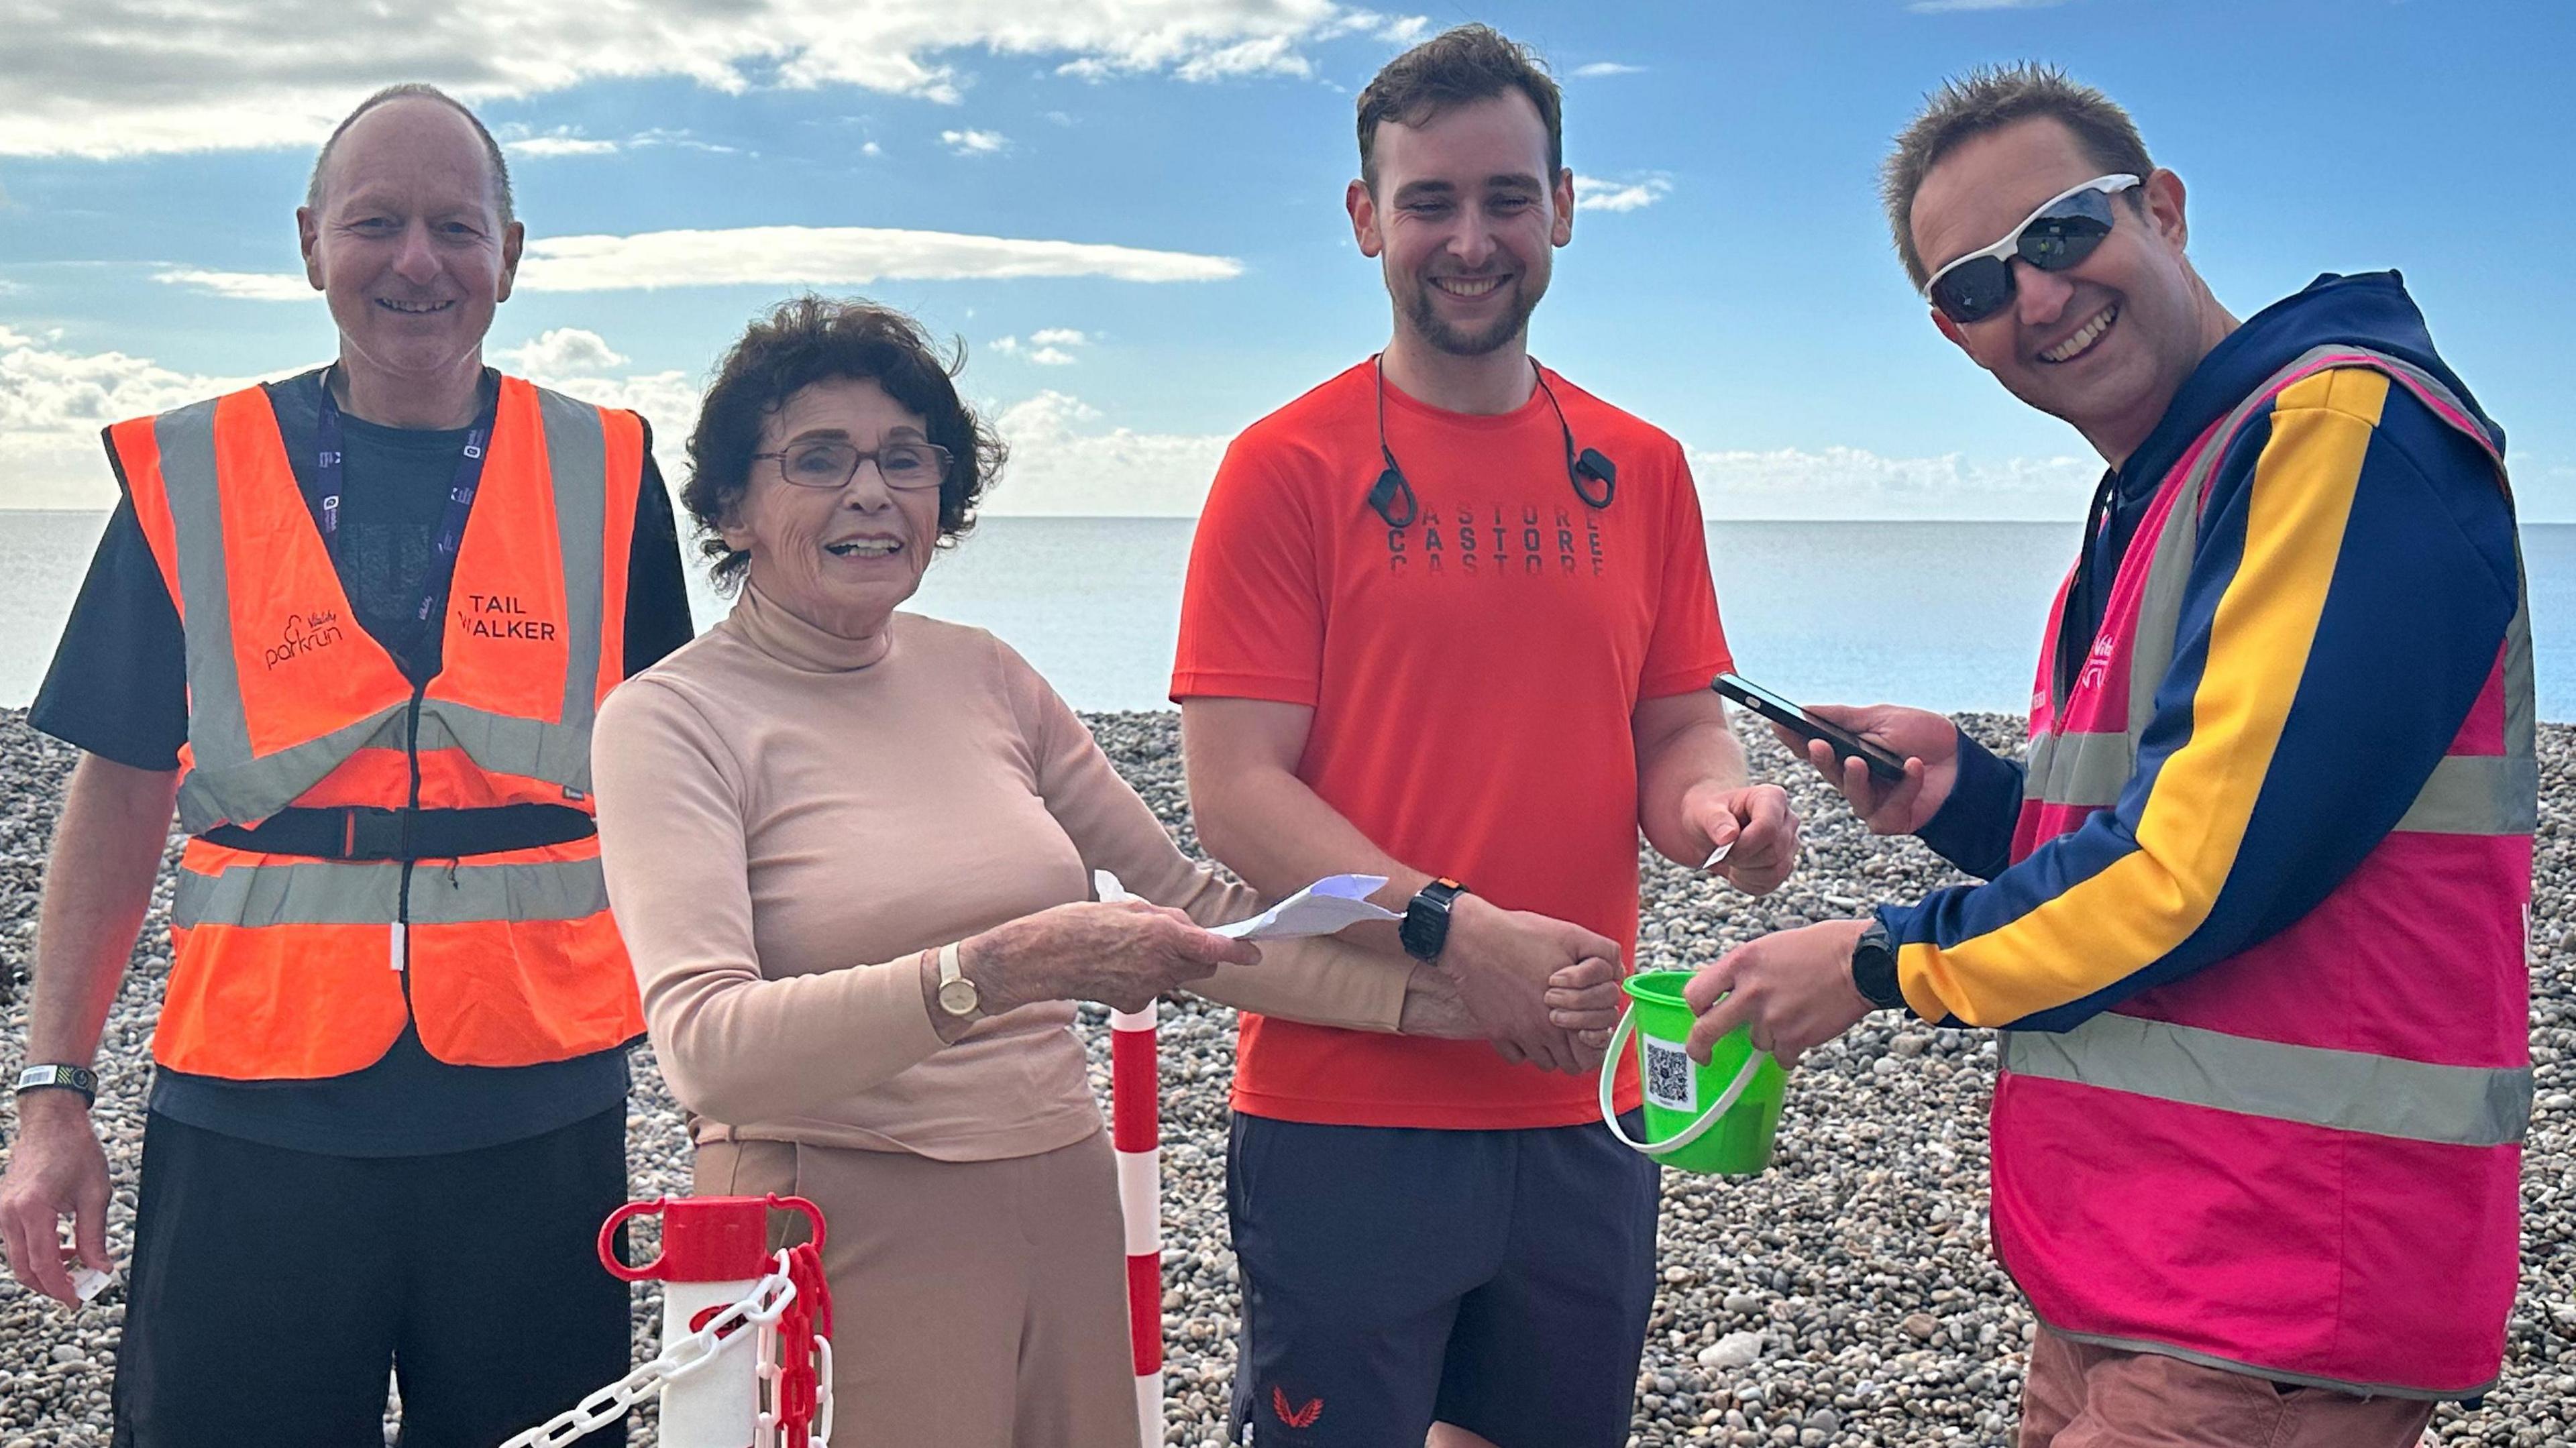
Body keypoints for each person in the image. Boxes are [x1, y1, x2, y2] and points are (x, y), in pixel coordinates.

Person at [586, 294, 1625, 1448]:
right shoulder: (669, 719)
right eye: (817, 460)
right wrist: (1001, 967)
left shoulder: (986, 674)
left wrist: (1466, 998)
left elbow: (1201, 914)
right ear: (730, 506)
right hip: (832, 1214)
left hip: (1059, 1194)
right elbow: (708, 1050)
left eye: (905, 458)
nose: (871, 492)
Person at [1684, 64, 2530, 1448]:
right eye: (1973, 287)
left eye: (2064, 233)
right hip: (2135, 1279)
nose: (2036, 298)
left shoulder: (2334, 434)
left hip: (2273, 1289)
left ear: (2168, 212)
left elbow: (2192, 872)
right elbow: (2194, 821)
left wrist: (1874, 957)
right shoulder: (2166, 485)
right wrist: (1971, 798)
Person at [0, 85, 694, 1445]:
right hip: (255, 1109)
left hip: (535, 1114)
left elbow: (681, 781)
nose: (418, 261)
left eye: (456, 226)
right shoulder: (196, 468)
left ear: (513, 253)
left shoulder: (607, 471)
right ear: (312, 242)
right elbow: (122, 791)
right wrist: (52, 1096)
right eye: (378, 223)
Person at [1172, 26, 1798, 1448]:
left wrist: (1721, 814)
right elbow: (1237, 797)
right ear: (1363, 220)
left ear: (1563, 209)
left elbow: (1677, 728)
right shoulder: (1286, 468)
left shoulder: (1642, 468)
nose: (1471, 239)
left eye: (1507, 198)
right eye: (1429, 202)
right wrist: (1457, 932)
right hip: (1345, 1099)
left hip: (1583, 1099)